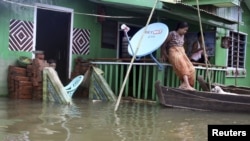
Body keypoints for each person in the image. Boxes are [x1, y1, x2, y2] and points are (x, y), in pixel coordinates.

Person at [161, 22, 196, 91]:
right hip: (173, 52)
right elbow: (164, 45)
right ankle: (187, 85)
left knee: (191, 68)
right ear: (180, 28)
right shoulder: (172, 33)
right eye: (184, 30)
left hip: (181, 52)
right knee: (183, 65)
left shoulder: (182, 36)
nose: (185, 32)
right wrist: (164, 55)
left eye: (186, 30)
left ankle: (184, 84)